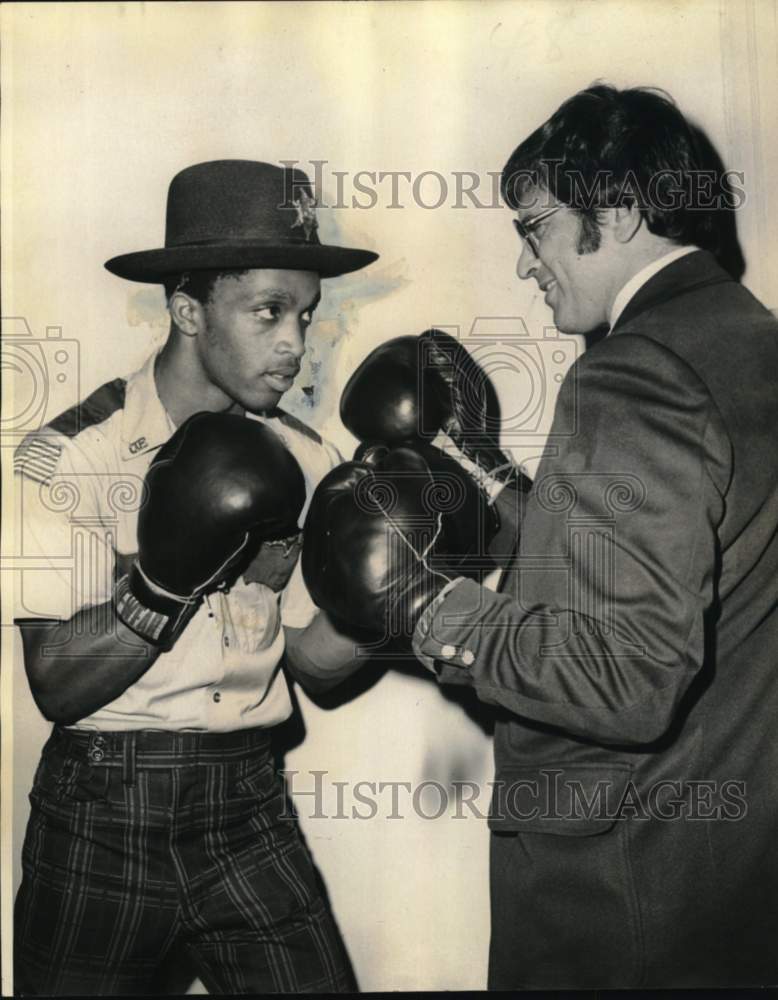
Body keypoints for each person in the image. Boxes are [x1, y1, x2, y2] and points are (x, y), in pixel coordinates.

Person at [304, 85, 778, 988]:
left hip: (617, 896)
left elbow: (632, 675)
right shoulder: (752, 345)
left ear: (622, 209)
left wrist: (432, 607)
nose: (526, 263)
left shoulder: (634, 373)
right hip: (729, 873)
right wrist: (480, 466)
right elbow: (652, 565)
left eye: (534, 229)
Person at [13, 158, 378, 995]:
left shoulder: (309, 459)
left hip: (247, 800)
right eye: (268, 312)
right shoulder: (67, 455)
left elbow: (317, 668)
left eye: (307, 317)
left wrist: (391, 588)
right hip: (102, 805)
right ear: (187, 310)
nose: (296, 344)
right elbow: (56, 684)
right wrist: (166, 581)